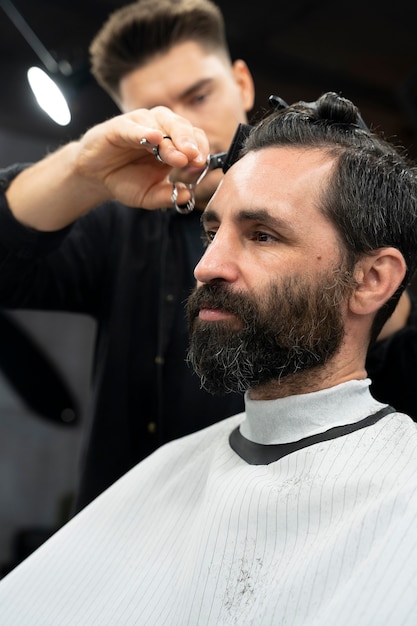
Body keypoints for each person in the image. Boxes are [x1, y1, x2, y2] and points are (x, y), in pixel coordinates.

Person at [2, 92, 417, 624]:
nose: (206, 266)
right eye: (212, 232)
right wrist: (85, 167)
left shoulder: (400, 496)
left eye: (262, 235)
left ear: (371, 279)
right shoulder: (169, 470)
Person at [0, 0, 415, 518]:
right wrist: (84, 170)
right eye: (158, 113)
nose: (184, 128)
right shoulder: (118, 230)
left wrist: (378, 305)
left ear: (242, 84)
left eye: (199, 95)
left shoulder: (348, 239)